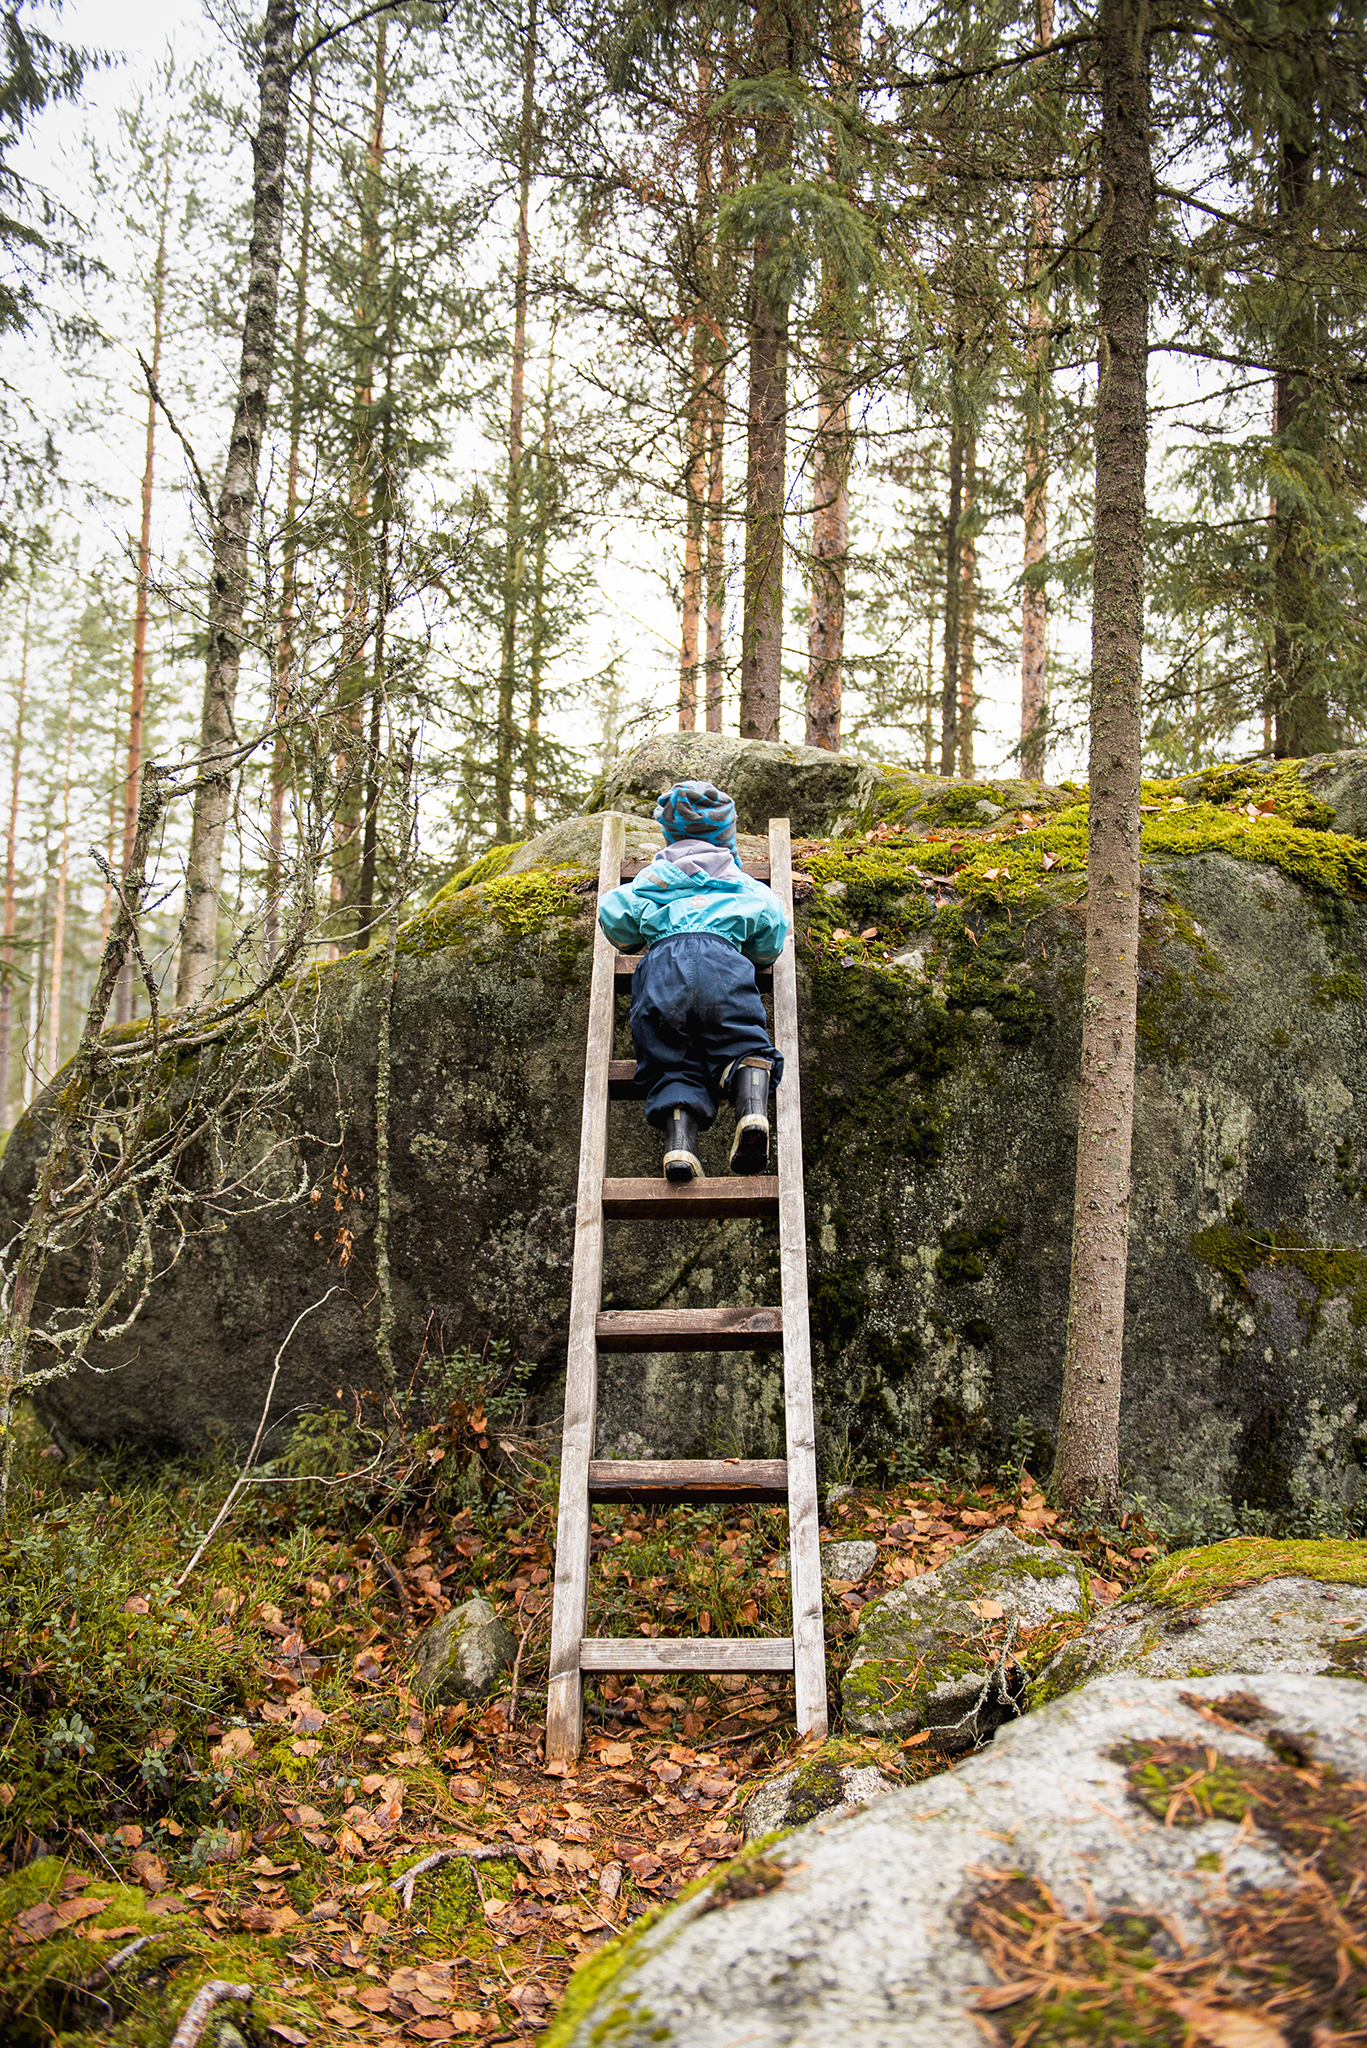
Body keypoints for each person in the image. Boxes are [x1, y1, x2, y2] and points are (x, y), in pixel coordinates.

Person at [597, 780, 789, 1182]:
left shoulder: (651, 881)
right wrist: (753, 951)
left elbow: (615, 917)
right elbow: (772, 935)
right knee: (742, 1041)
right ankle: (752, 1111)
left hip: (661, 971)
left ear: (669, 834)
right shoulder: (743, 884)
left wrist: (639, 934)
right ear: (726, 836)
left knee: (669, 1063)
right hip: (724, 963)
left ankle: (680, 1150)